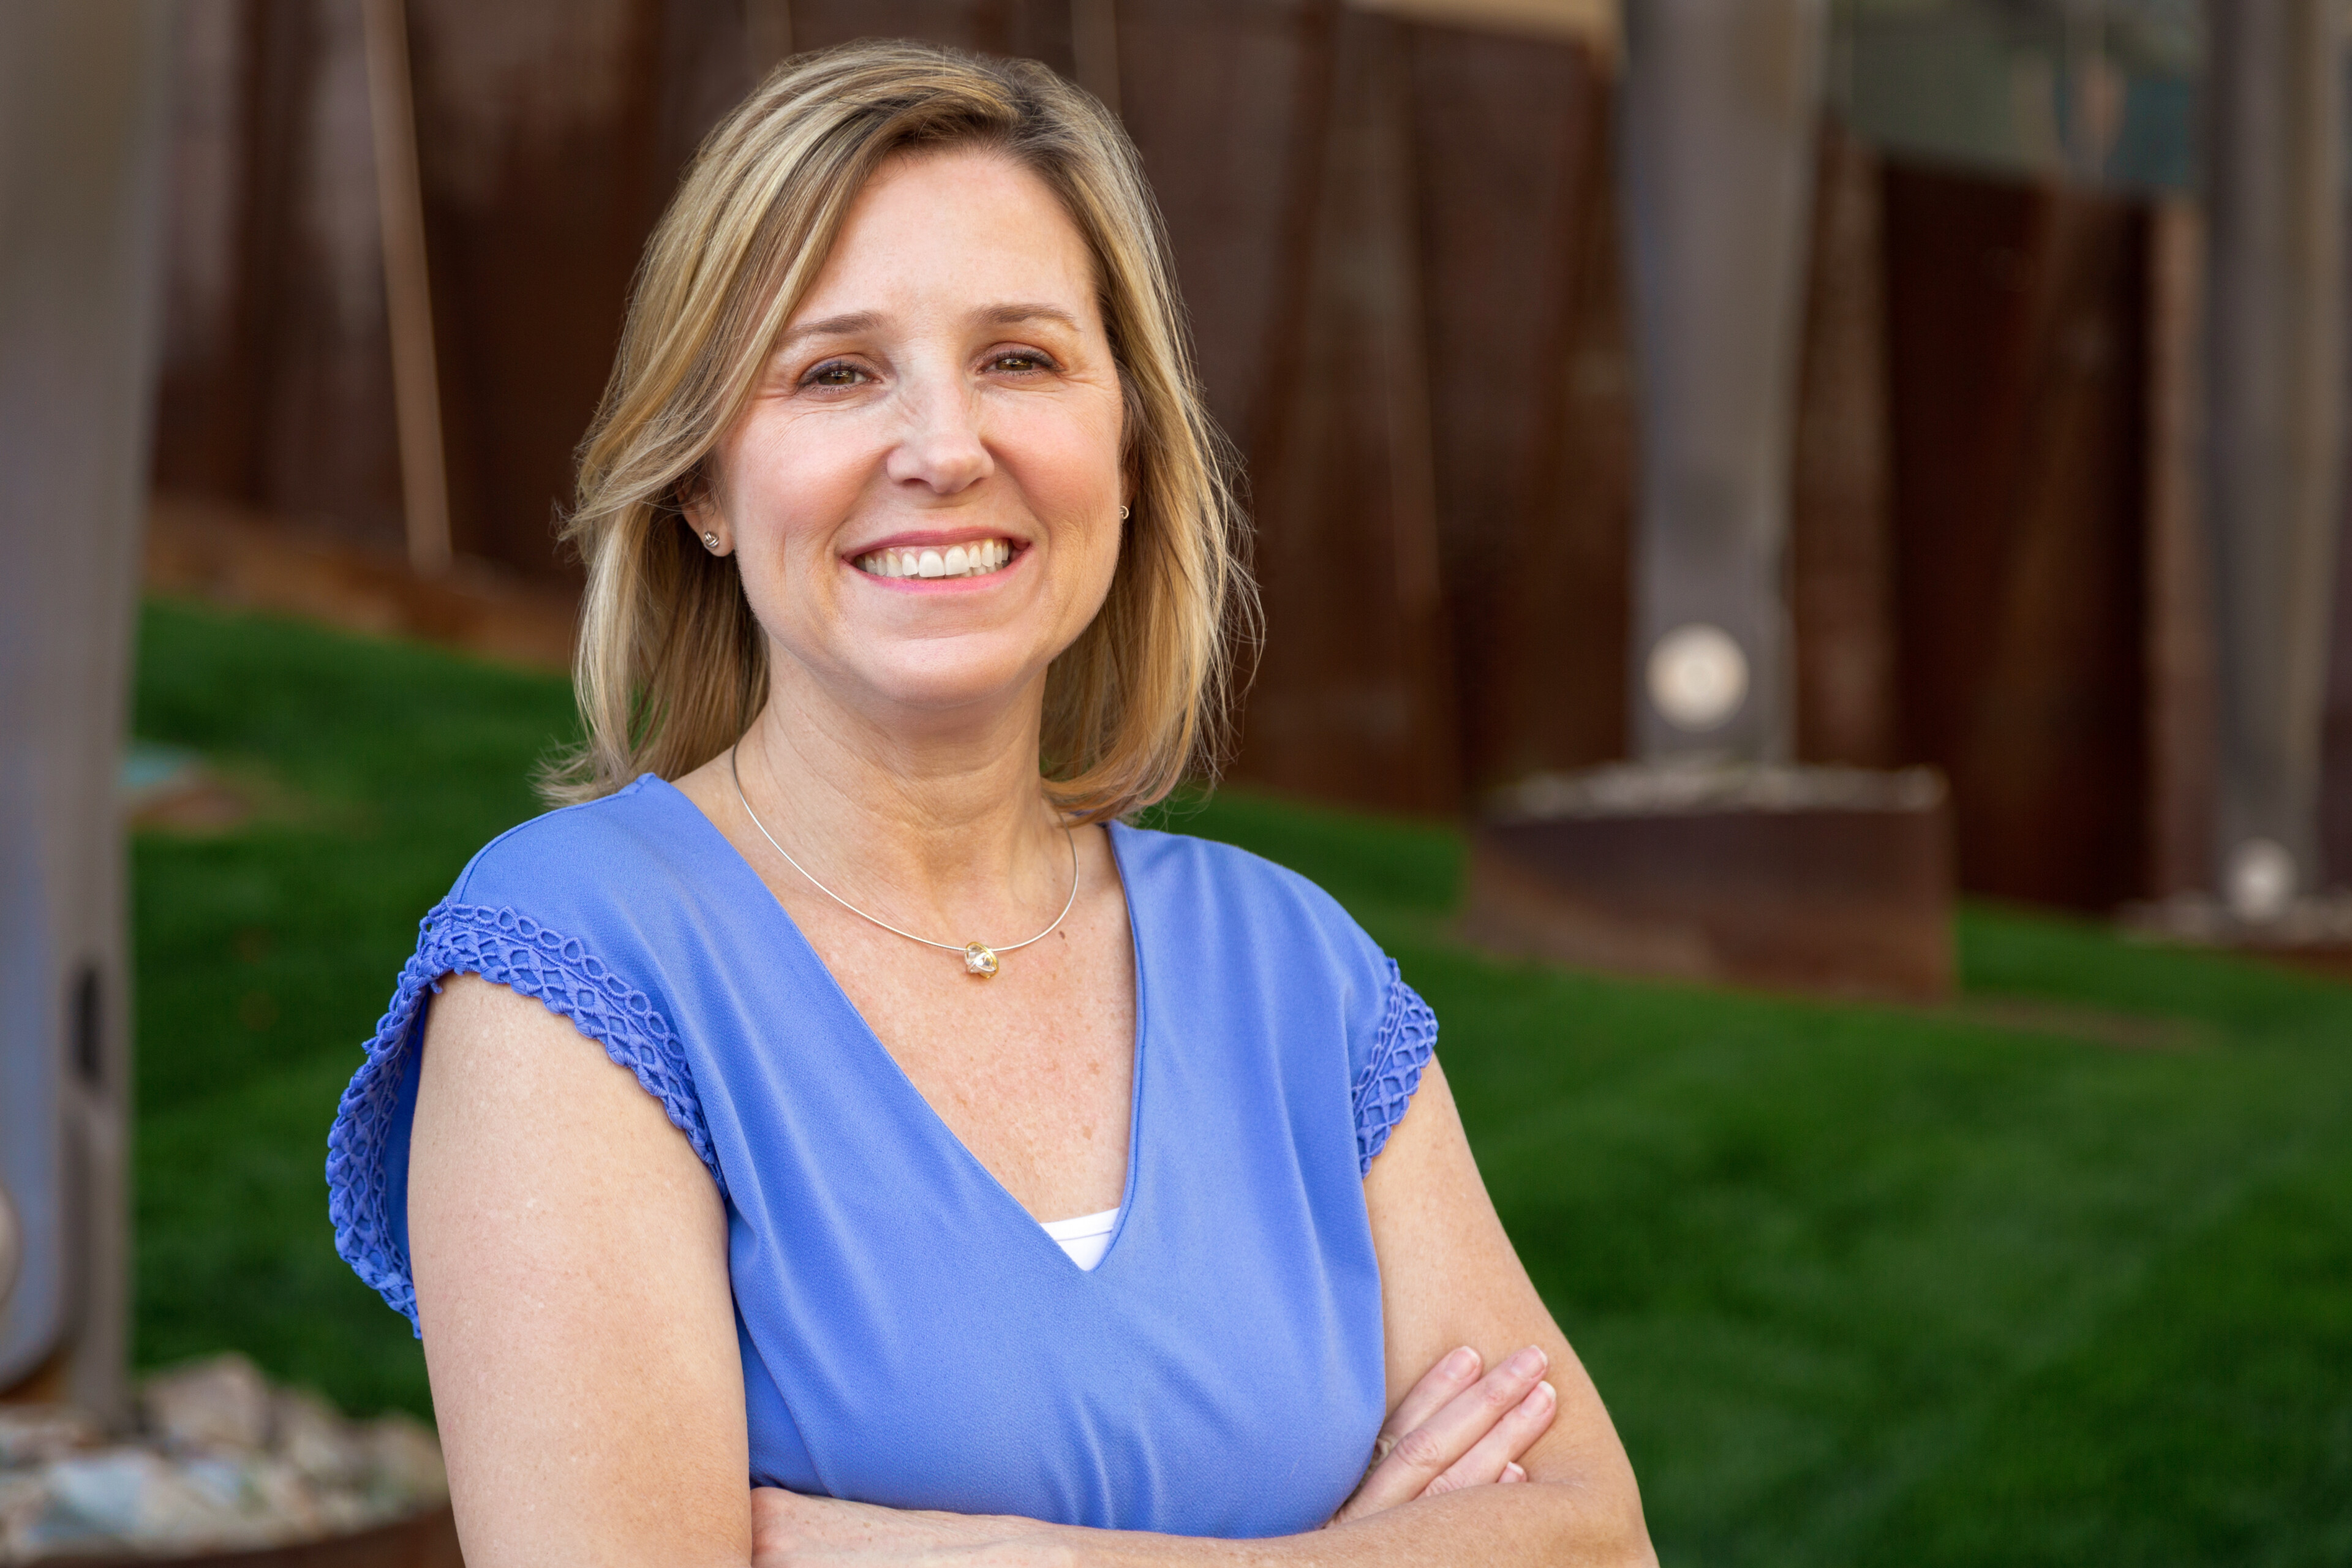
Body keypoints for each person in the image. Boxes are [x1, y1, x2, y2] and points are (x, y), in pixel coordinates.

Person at [325, 39, 1653, 1567]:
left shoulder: (1294, 970)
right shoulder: (575, 963)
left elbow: (1599, 1541)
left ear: (1130, 445)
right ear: (700, 480)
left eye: (1020, 359)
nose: (945, 450)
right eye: (835, 372)